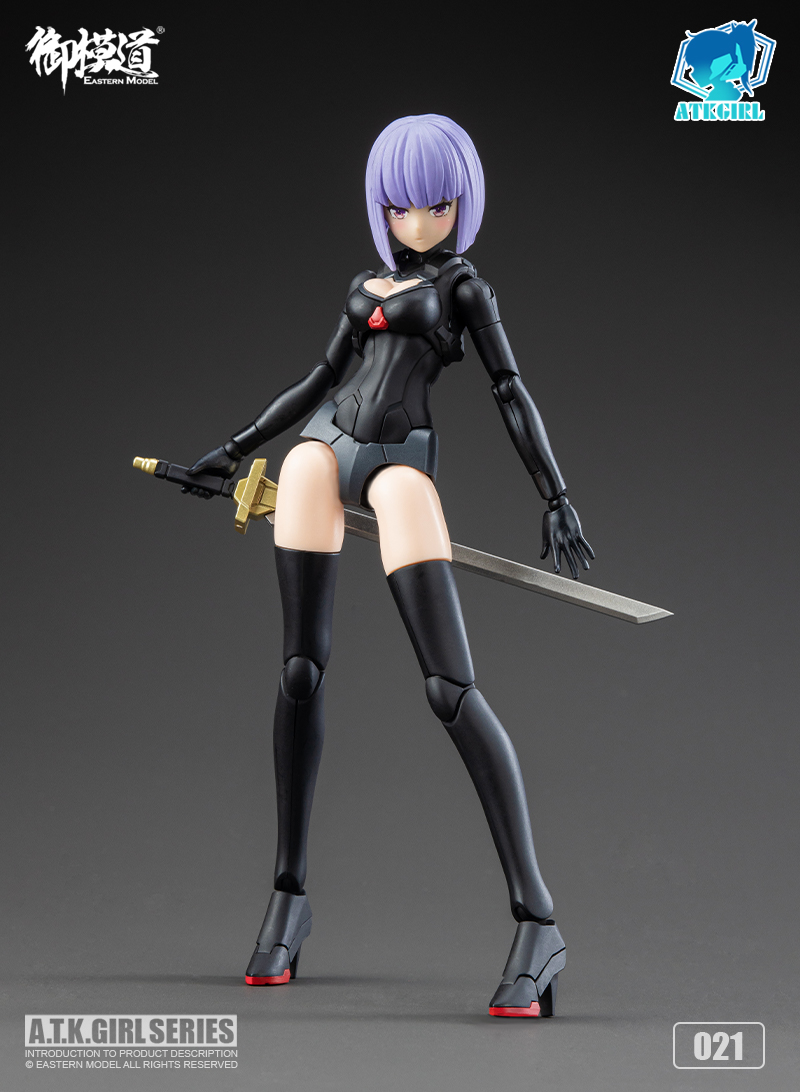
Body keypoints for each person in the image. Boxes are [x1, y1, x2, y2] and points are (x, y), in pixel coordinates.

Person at [186, 114, 593, 1017]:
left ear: (460, 205)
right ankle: (288, 896)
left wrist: (555, 493)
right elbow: (318, 380)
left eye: (435, 205)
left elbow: (510, 391)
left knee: (450, 689)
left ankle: (538, 920)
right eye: (400, 206)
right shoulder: (363, 284)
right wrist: (234, 447)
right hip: (321, 448)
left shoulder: (464, 289)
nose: (417, 221)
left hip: (401, 458)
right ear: (381, 207)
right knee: (300, 669)